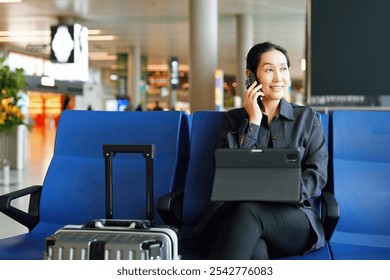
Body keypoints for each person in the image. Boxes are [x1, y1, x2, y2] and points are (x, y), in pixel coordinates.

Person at [194, 41, 328, 260]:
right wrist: (253, 123)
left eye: (283, 68)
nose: (279, 78)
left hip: (292, 219)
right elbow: (229, 175)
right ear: (251, 76)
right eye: (269, 70)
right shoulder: (234, 119)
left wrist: (284, 195)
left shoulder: (307, 118)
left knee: (248, 212)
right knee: (255, 248)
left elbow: (317, 176)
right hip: (240, 220)